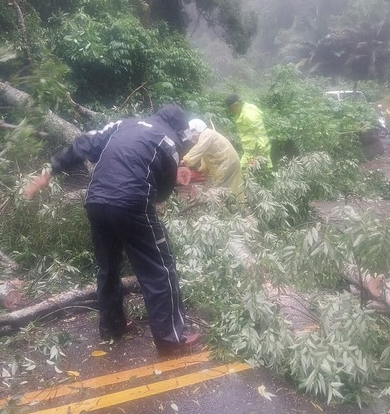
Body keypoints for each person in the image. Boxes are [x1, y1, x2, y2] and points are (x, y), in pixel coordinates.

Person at [23, 103, 202, 356]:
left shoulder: (122, 125)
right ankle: (170, 339)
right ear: (180, 129)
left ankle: (112, 327)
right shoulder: (169, 141)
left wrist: (51, 170)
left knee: (108, 267)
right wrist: (162, 195)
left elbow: (83, 143)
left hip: (96, 201)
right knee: (160, 268)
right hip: (131, 203)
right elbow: (162, 191)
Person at [183, 118, 244, 198]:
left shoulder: (207, 134)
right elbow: (206, 158)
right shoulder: (207, 136)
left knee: (218, 190)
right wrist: (203, 170)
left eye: (193, 136)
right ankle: (234, 205)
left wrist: (185, 161)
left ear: (197, 129)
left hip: (227, 163)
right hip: (228, 163)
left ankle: (219, 207)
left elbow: (199, 148)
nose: (193, 140)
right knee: (229, 188)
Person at [225, 94, 273, 170]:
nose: (232, 111)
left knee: (244, 171)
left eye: (231, 108)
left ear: (235, 105)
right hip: (251, 149)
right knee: (264, 170)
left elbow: (260, 131)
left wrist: (262, 151)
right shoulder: (243, 111)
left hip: (256, 149)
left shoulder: (249, 114)